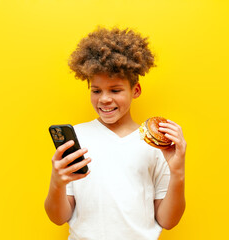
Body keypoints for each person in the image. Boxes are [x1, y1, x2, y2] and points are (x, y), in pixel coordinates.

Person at [44, 27, 186, 240]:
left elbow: (168, 221)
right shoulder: (78, 137)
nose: (104, 99)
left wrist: (178, 172)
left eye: (115, 90)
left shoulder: (155, 144)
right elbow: (58, 217)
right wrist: (57, 182)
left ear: (135, 90)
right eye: (96, 90)